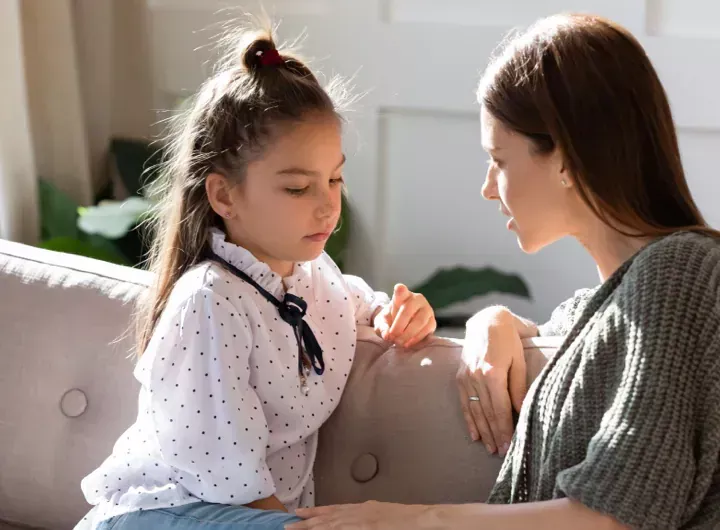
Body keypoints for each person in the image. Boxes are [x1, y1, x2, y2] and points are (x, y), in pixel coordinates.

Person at [288, 13, 720, 530]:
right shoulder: (607, 303)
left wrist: (403, 520)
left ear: (565, 157)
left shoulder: (682, 272)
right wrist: (492, 320)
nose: (489, 187)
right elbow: (573, 342)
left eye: (500, 159)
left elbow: (616, 516)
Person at [77, 21, 436, 530]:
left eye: (334, 178)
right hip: (163, 514)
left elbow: (356, 301)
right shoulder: (209, 300)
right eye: (297, 189)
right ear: (224, 196)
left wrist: (397, 311)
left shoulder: (314, 276)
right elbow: (229, 479)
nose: (327, 205)